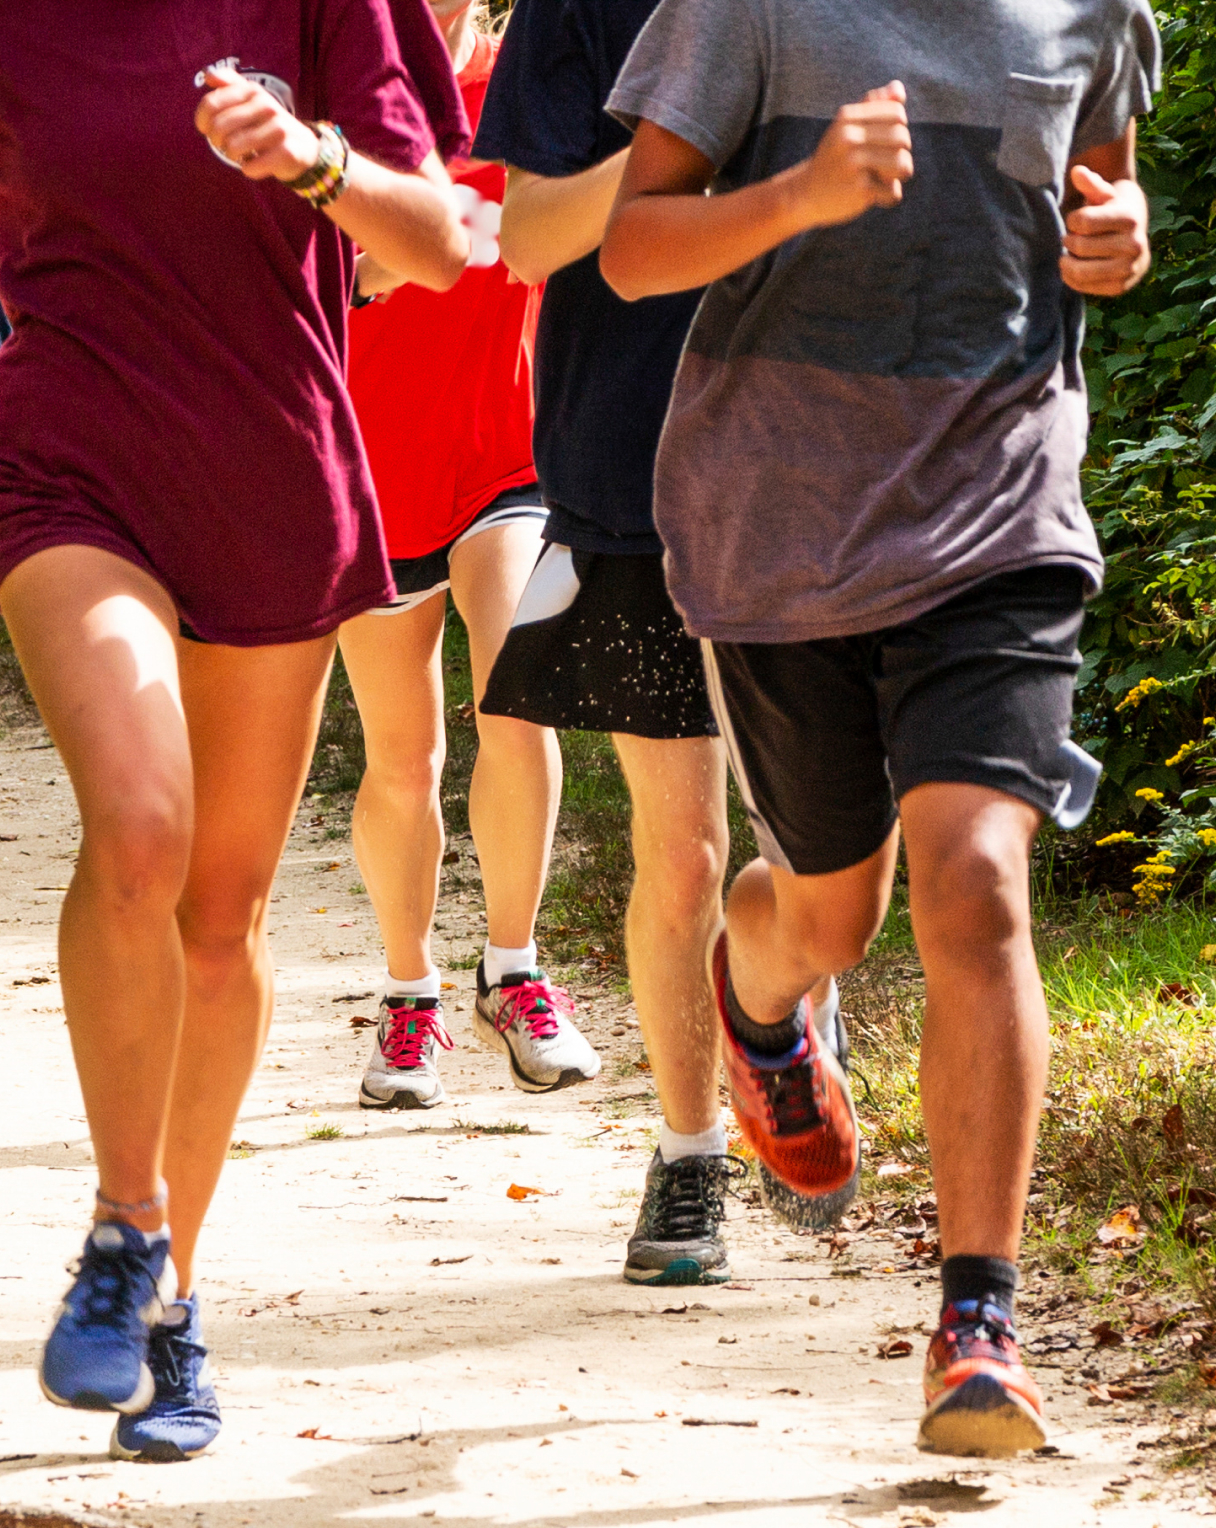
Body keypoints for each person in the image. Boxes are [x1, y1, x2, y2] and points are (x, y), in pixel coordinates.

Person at [600, 0, 1157, 1454]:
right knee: (832, 923)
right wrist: (795, 195)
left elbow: (1102, 193)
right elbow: (633, 244)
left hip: (1003, 514)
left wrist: (1121, 237)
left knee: (975, 881)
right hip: (778, 531)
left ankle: (981, 1323)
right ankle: (759, 990)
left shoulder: (1092, 9)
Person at [0, 0, 470, 1462]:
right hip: (65, 448)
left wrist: (316, 161)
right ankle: (126, 1227)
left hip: (272, 459)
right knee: (140, 827)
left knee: (221, 915)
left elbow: (440, 241)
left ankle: (171, 1300)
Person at [471, 0, 846, 1286]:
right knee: (680, 854)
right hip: (629, 468)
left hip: (825, 462)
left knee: (819, 851)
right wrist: (688, 152)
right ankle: (690, 1156)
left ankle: (783, 1018)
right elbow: (523, 238)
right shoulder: (576, 9)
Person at [341, 0, 601, 1110]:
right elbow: (287, 273)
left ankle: (516, 971)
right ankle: (408, 998)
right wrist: (367, 272)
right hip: (366, 458)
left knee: (519, 697)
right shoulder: (342, 100)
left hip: (505, 448)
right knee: (402, 756)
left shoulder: (530, 81)